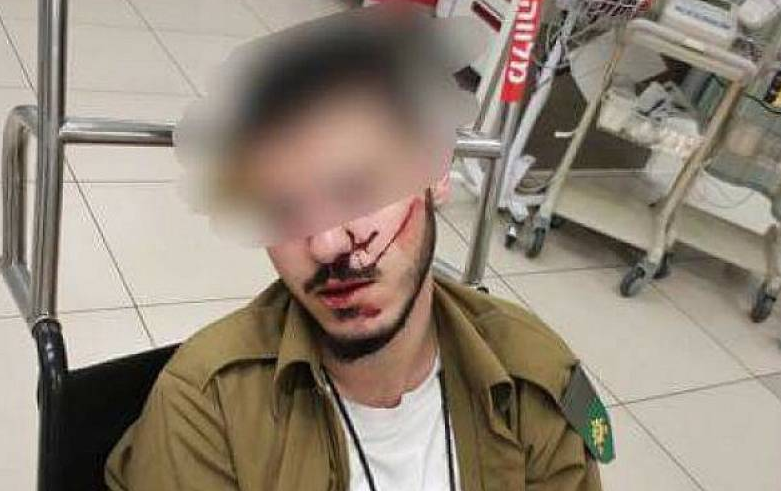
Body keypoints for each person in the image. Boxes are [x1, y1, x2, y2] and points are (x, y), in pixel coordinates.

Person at [105, 7, 611, 491]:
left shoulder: (534, 382)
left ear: (435, 170)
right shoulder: (206, 413)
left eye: (356, 189)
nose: (327, 244)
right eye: (284, 210)